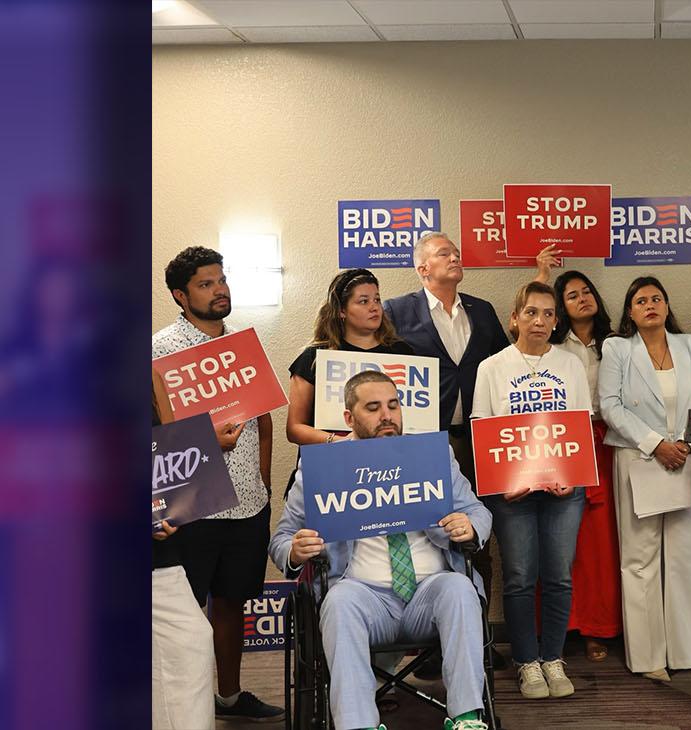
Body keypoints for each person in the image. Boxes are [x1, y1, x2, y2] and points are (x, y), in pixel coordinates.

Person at [270, 370, 492, 730]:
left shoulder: (433, 455)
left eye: (393, 405)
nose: (387, 415)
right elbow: (281, 538)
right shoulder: (322, 467)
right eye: (373, 407)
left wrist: (470, 528)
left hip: (429, 590)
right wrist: (295, 551)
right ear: (348, 418)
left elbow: (477, 511)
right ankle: (358, 724)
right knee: (339, 602)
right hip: (363, 595)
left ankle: (467, 717)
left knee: (460, 589)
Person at [152, 246, 282, 721]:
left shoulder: (244, 341)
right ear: (180, 296)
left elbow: (264, 421)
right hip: (194, 506)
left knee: (232, 604)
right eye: (206, 284)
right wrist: (208, 442)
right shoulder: (161, 348)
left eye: (221, 280)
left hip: (248, 503)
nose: (220, 289)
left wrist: (264, 483)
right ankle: (185, 705)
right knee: (185, 618)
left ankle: (229, 696)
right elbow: (160, 436)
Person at [471, 282, 591, 700]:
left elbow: (579, 425)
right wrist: (505, 484)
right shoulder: (492, 367)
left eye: (547, 313)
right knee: (520, 578)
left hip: (563, 489)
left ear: (556, 321)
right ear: (514, 317)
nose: (539, 320)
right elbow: (481, 430)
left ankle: (553, 658)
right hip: (512, 494)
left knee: (558, 576)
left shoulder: (571, 365)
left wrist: (570, 475)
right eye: (531, 312)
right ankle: (526, 662)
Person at [597, 276, 691, 682]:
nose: (650, 304)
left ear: (667, 306)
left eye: (657, 298)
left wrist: (681, 443)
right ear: (630, 312)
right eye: (641, 300)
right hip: (638, 459)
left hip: (686, 456)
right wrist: (655, 444)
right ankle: (648, 656)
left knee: (687, 556)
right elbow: (609, 406)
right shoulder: (617, 348)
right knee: (640, 559)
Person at [533, 256, 623, 663]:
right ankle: (562, 626)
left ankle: (598, 627)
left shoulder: (617, 342)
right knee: (562, 538)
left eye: (587, 291)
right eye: (571, 295)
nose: (582, 298)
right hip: (561, 445)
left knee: (601, 543)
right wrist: (542, 277)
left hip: (609, 444)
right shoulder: (548, 347)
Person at [383, 232, 510, 480]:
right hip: (424, 437)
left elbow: (505, 363)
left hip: (481, 436)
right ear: (423, 268)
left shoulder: (482, 310)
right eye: (444, 254)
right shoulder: (396, 311)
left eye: (457, 254)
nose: (455, 258)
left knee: (479, 510)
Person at [286, 268, 415, 447]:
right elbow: (294, 428)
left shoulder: (403, 353)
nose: (374, 307)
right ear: (341, 311)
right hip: (333, 461)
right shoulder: (313, 358)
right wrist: (344, 443)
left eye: (377, 299)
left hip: (392, 457)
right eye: (363, 301)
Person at [152, 392, 215, 730]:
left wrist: (169, 511)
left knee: (192, 641)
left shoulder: (149, 376)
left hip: (157, 557)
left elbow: (168, 452)